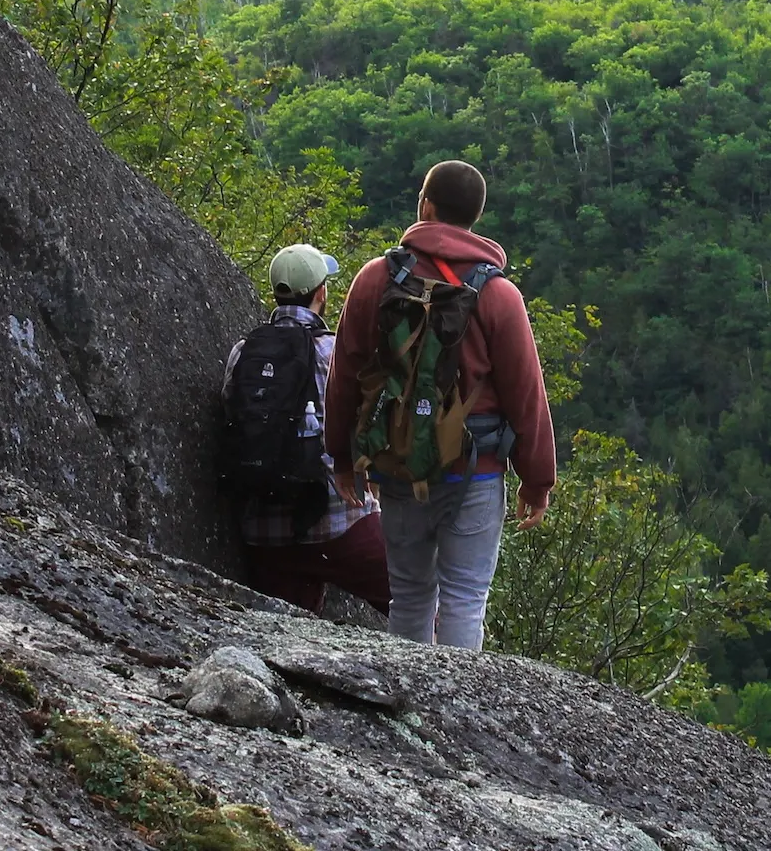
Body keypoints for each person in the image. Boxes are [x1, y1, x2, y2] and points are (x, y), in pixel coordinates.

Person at [325, 160, 554, 650]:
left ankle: (401, 706)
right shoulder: (498, 295)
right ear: (474, 216)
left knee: (408, 595)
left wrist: (343, 458)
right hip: (476, 468)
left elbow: (344, 373)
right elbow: (526, 396)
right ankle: (452, 717)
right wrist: (537, 480)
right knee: (465, 598)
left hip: (398, 461)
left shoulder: (374, 279)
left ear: (426, 205)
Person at [223, 243, 390, 615]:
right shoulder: (336, 352)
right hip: (339, 522)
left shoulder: (243, 352)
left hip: (265, 536)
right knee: (423, 601)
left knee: (289, 635)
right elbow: (373, 428)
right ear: (321, 293)